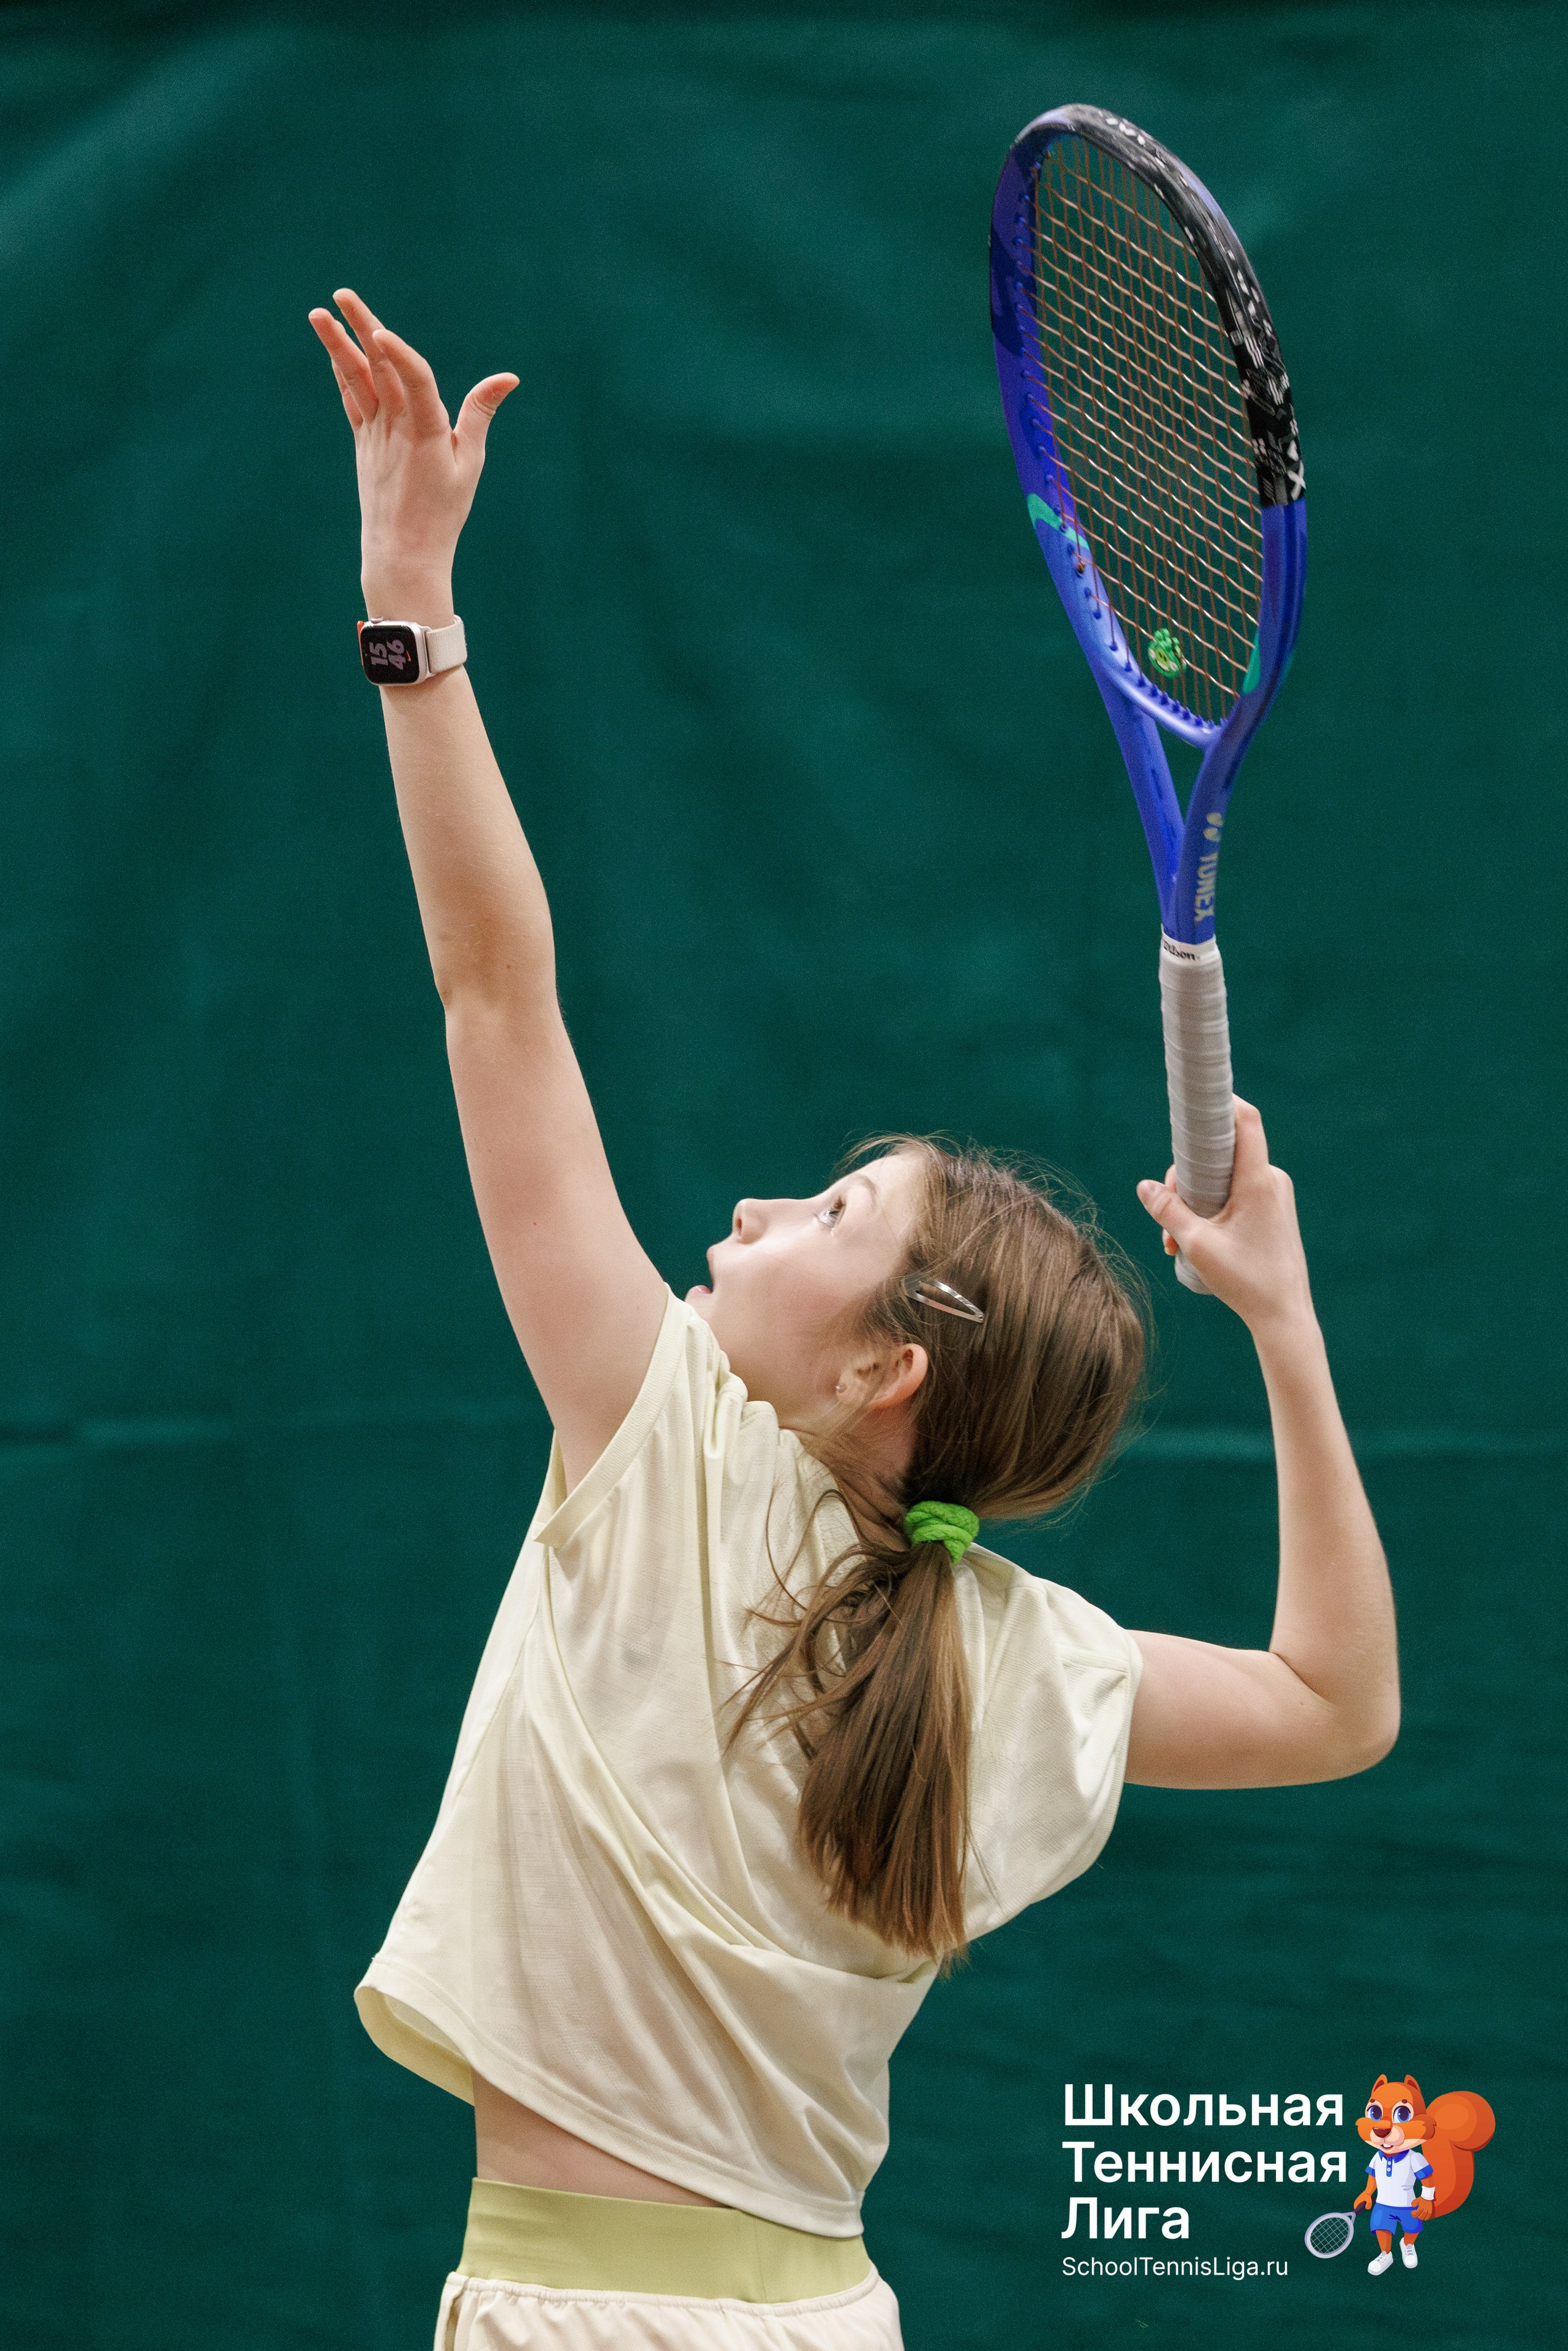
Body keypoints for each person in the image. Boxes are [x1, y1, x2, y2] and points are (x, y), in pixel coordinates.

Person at [306, 290, 1400, 2351]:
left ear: (887, 1364)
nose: (751, 1205)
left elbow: (492, 990)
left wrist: (408, 609)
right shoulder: (1016, 1667)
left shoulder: (663, 1446)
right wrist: (1291, 1329)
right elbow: (1336, 1705)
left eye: (828, 1206)